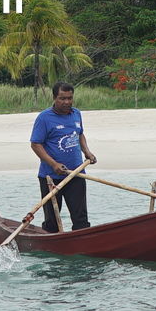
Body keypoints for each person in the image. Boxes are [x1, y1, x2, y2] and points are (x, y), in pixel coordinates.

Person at [29, 81, 98, 232]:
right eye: (62, 98)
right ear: (54, 98)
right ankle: (49, 248)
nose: (67, 102)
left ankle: (82, 246)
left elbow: (79, 134)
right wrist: (53, 164)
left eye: (69, 98)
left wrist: (87, 151)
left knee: (81, 219)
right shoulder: (44, 118)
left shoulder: (76, 114)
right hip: (50, 177)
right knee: (52, 221)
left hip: (76, 173)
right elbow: (36, 144)